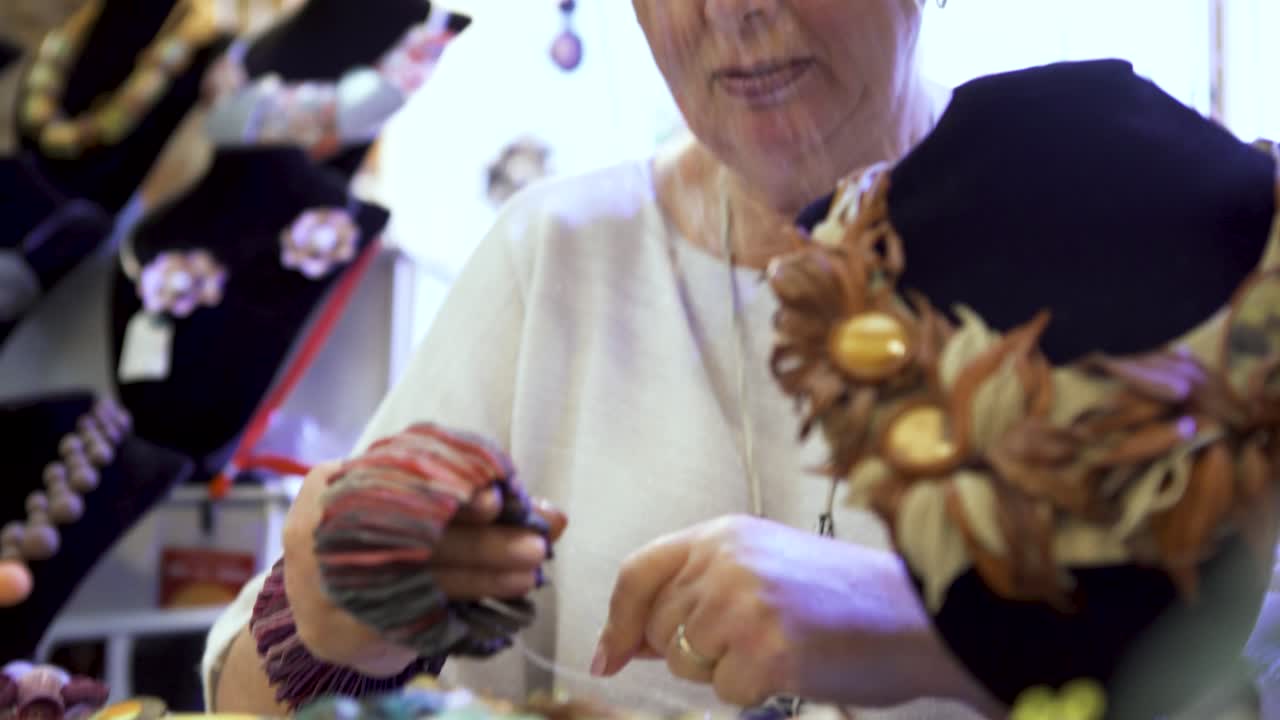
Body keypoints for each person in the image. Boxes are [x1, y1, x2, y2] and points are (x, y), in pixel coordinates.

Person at [203, 1, 1003, 716]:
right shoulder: (556, 257)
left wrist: (925, 630)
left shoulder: (1058, 235)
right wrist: (335, 637)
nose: (730, 10)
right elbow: (244, 698)